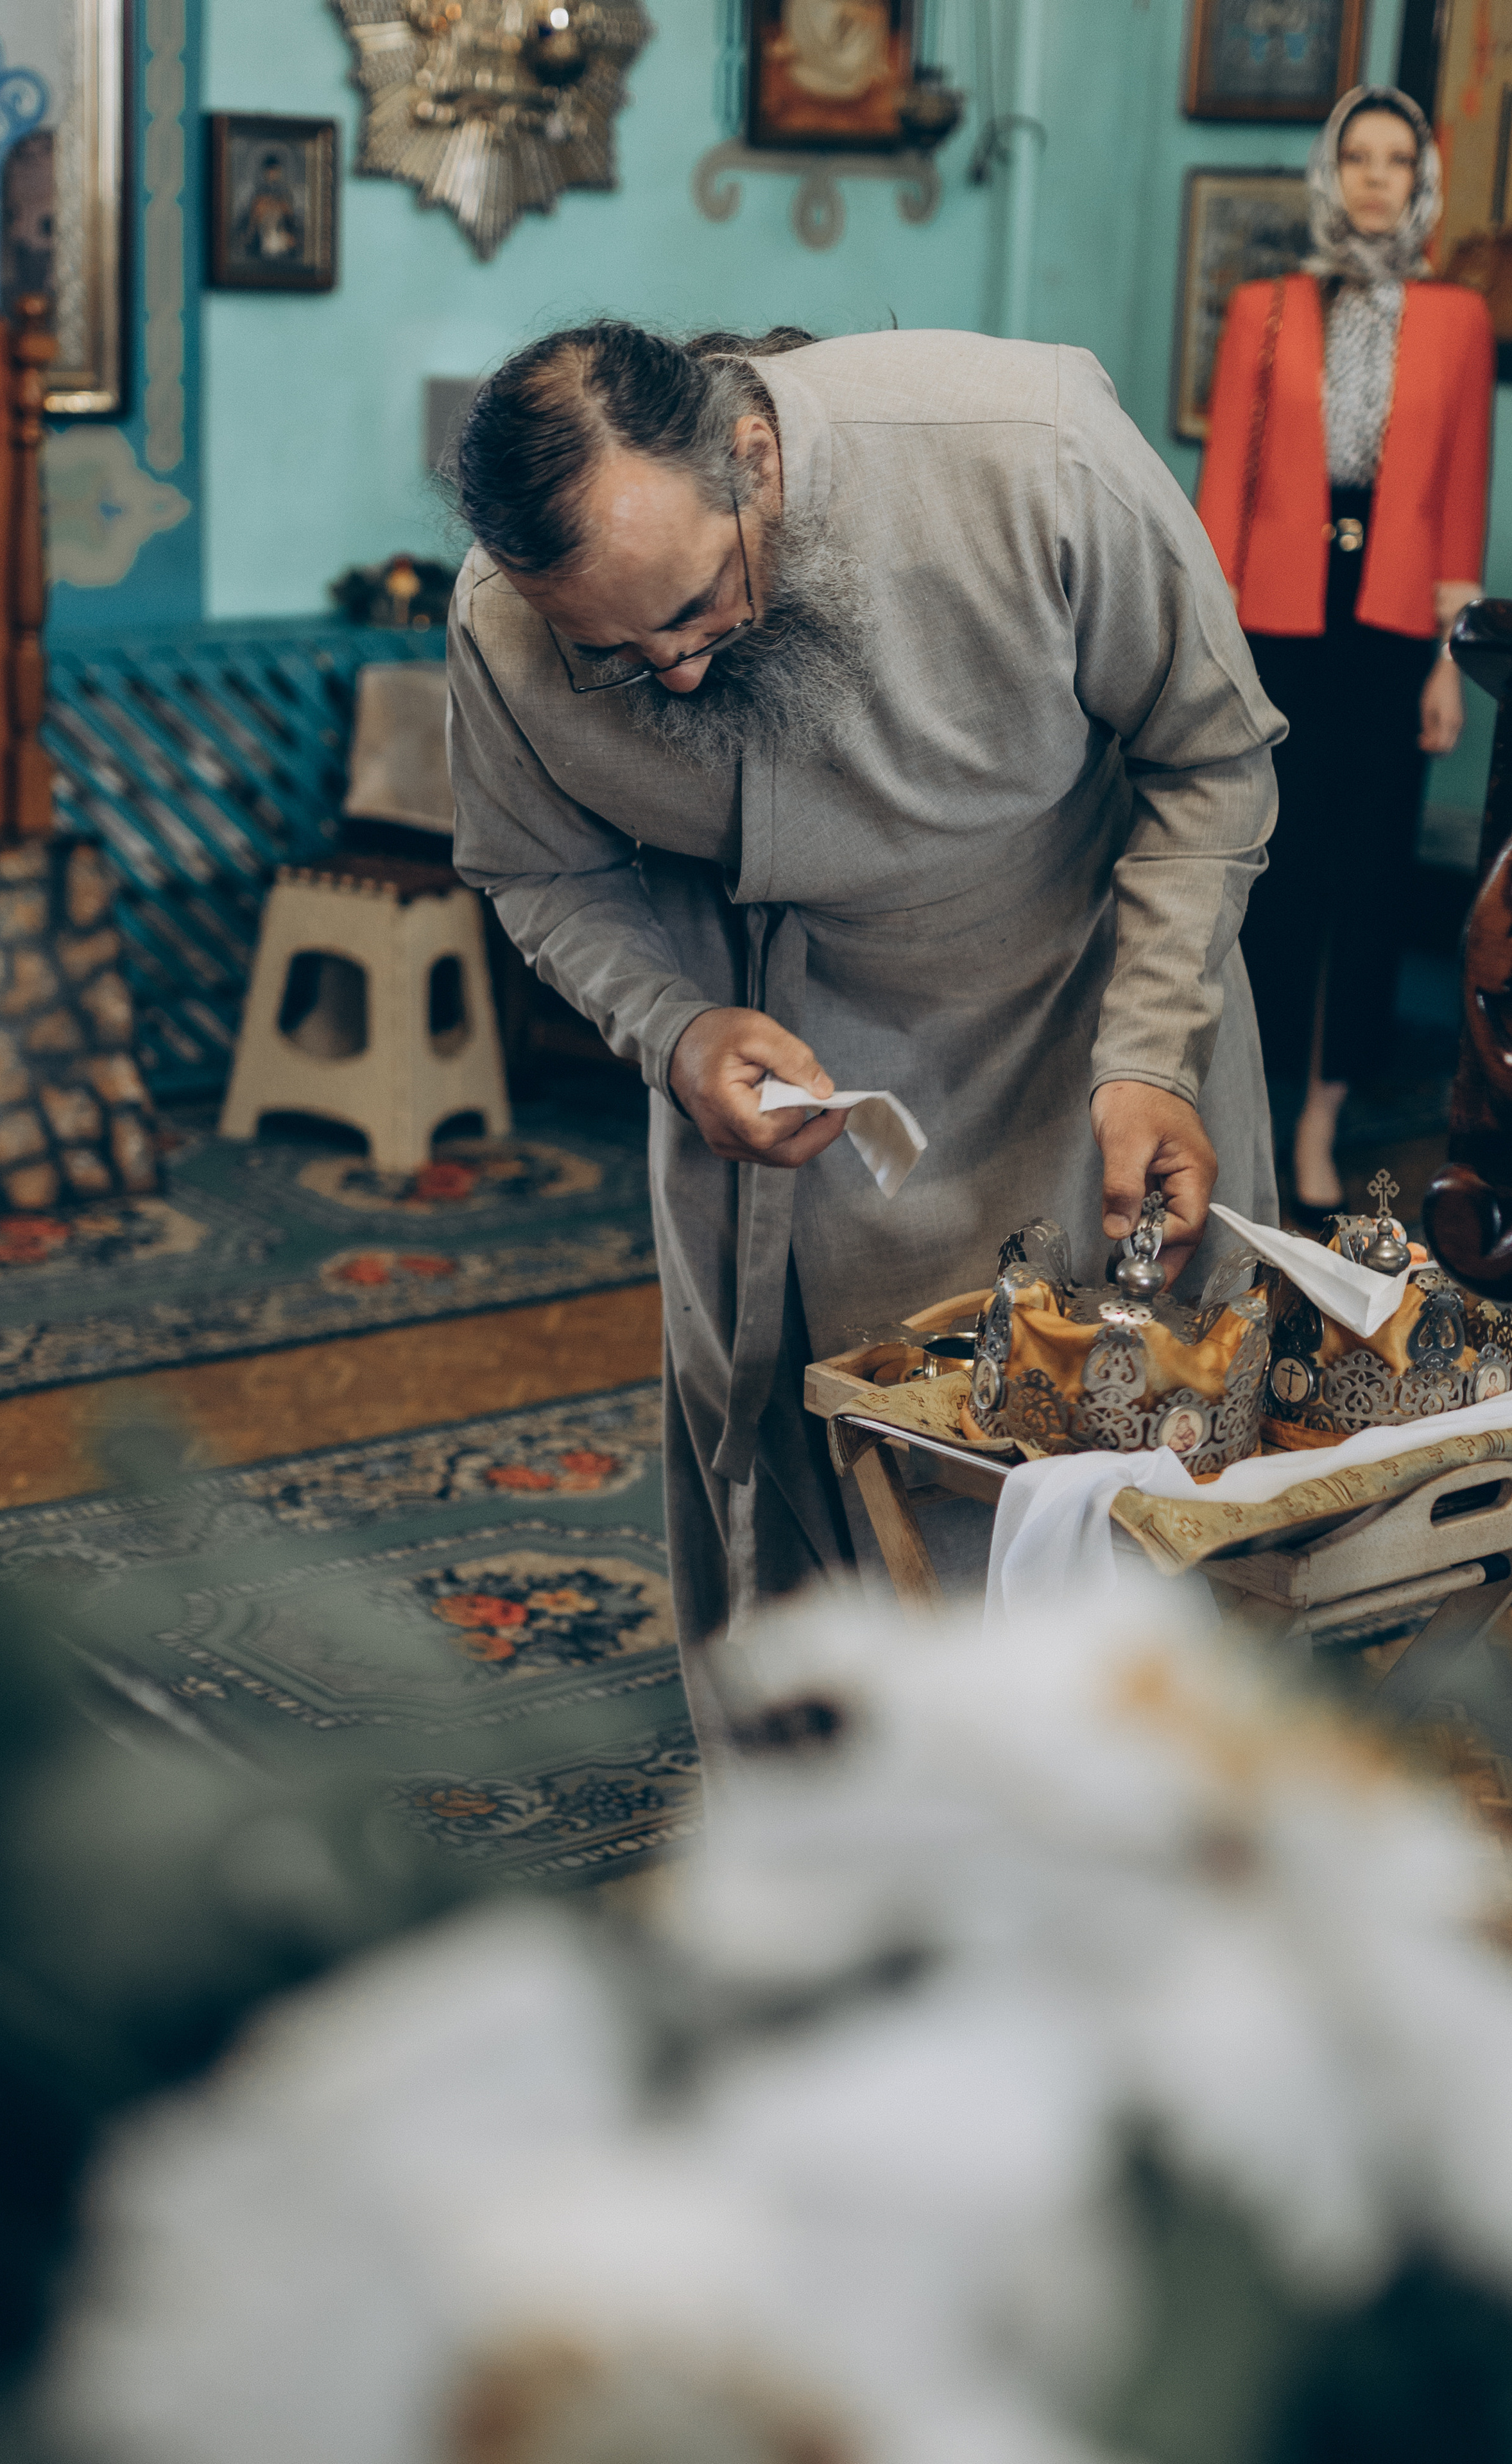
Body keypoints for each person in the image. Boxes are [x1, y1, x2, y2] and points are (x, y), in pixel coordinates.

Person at [445, 319, 1283, 1713]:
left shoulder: (1027, 450)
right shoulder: (502, 618)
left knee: (1119, 1467)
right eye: (612, 653)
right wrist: (673, 1029)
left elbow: (1208, 758)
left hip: (1090, 1017)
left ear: (752, 458)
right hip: (773, 1077)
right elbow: (535, 868)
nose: (677, 675)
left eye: (696, 603)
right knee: (805, 1490)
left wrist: (1150, 1052)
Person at [1198, 85, 1493, 1222]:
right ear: (1333, 175)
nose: (1376, 177)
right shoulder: (1265, 308)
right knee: (1275, 871)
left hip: (1390, 627)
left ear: (1421, 183)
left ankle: (1322, 1116)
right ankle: (1250, 1108)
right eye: (1358, 157)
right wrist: (1212, 638)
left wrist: (1442, 661)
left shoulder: (1459, 318)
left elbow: (1462, 496)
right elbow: (1224, 484)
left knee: (1371, 885)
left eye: (1397, 161)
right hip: (1276, 617)